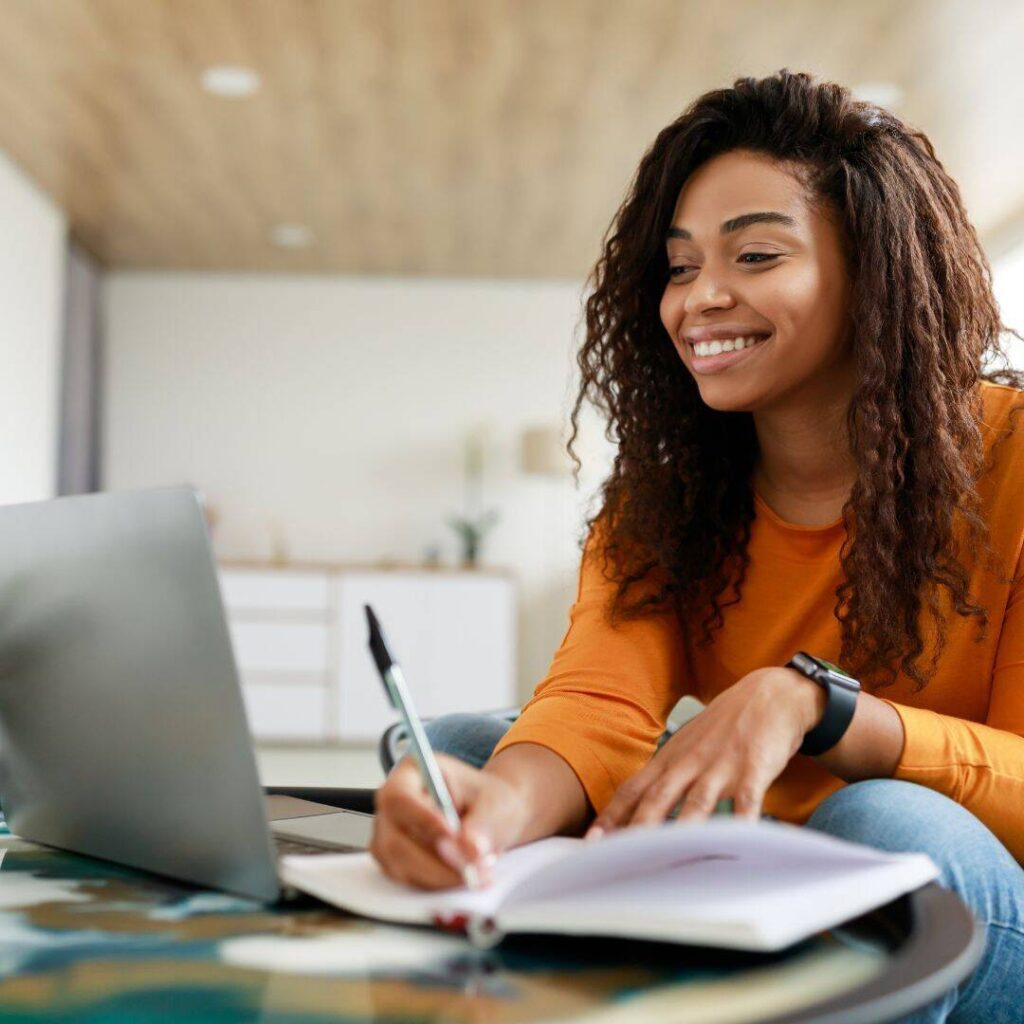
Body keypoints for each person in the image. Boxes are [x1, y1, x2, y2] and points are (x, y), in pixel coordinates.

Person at [372, 70, 1024, 1021]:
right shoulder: (669, 496)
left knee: (881, 824)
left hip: (969, 907)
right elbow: (596, 702)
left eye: (756, 255)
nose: (700, 299)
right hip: (754, 872)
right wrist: (491, 818)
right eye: (680, 268)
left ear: (876, 271)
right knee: (458, 754)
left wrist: (823, 709)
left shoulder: (1011, 461)